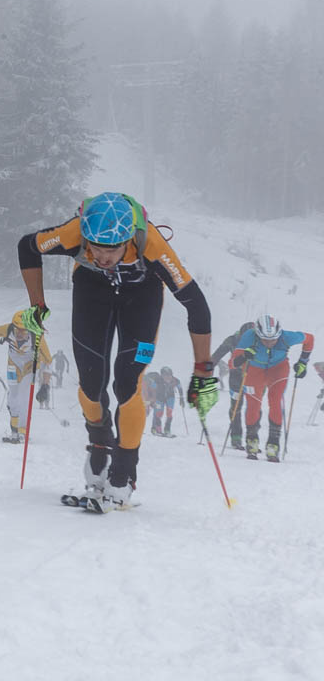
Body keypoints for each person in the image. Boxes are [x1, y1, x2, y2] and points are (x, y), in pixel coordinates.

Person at [19, 192, 214, 507]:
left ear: (128, 240)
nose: (102, 256)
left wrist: (203, 368)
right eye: (95, 247)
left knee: (127, 384)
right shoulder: (74, 233)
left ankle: (123, 472)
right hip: (92, 294)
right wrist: (37, 305)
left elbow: (198, 306)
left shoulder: (151, 244)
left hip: (142, 299)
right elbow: (27, 246)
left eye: (111, 250)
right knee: (91, 384)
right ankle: (99, 445)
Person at [218, 314, 314, 461]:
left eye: (273, 339)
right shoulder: (249, 336)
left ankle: (273, 443)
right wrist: (244, 356)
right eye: (265, 340)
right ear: (258, 334)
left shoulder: (286, 336)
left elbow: (309, 339)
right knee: (253, 403)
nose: (270, 343)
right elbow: (232, 363)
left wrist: (303, 362)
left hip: (278, 369)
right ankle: (252, 439)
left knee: (275, 401)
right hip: (254, 370)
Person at [0, 311, 53, 444]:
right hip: (13, 366)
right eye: (17, 330)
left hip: (30, 368)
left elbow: (49, 361)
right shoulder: (7, 329)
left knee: (23, 397)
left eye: (24, 331)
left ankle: (23, 431)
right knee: (12, 399)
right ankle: (14, 431)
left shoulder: (37, 336)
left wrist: (45, 385)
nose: (19, 334)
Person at [145, 365, 182, 438]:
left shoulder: (175, 380)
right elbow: (150, 389)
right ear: (161, 375)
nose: (168, 377)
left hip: (170, 398)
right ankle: (156, 429)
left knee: (169, 413)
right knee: (158, 413)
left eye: (169, 375)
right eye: (165, 375)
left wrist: (182, 398)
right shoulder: (157, 381)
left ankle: (167, 430)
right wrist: (150, 399)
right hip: (159, 399)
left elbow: (180, 388)